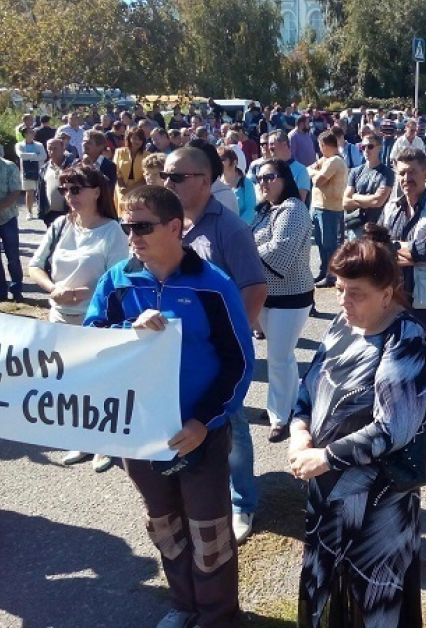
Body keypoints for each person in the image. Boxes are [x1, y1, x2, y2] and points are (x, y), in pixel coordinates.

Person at [84, 185, 254, 628]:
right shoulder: (116, 282)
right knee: (164, 525)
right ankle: (184, 605)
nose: (132, 234)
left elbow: (238, 362)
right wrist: (126, 328)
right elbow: (87, 346)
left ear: (176, 228)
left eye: (142, 226)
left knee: (209, 532)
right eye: (126, 226)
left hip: (198, 433)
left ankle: (218, 616)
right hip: (138, 433)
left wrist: (204, 422)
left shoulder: (214, 285)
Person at [289, 225, 426, 627]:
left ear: (387, 293)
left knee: (373, 599)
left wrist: (326, 456)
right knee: (326, 589)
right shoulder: (342, 324)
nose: (343, 300)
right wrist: (300, 429)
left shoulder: (406, 339)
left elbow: (394, 428)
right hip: (328, 491)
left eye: (356, 293)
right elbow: (311, 384)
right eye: (339, 289)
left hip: (377, 499)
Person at [163, 146, 267, 546]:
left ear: (205, 182)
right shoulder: (170, 224)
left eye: (177, 177)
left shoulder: (230, 229)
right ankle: (199, 492)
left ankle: (243, 502)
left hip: (221, 358)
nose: (167, 183)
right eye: (166, 176)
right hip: (178, 354)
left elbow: (255, 289)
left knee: (234, 427)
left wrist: (231, 342)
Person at [29, 164, 128, 473]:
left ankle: (106, 443)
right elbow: (35, 265)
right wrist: (53, 288)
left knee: (101, 382)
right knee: (71, 383)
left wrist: (91, 293)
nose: (69, 195)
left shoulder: (113, 231)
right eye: (65, 189)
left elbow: (119, 278)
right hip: (59, 317)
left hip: (95, 321)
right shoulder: (59, 225)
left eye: (76, 189)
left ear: (97, 191)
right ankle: (82, 439)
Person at [246, 159, 314, 445]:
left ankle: (282, 417)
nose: (263, 183)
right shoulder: (266, 210)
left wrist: (244, 256)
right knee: (278, 357)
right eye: (259, 178)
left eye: (269, 177)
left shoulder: (294, 209)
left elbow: (280, 251)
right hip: (267, 294)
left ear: (284, 178)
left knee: (280, 357)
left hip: (291, 296)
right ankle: (280, 406)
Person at [380, 147, 426, 361]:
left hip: (424, 304)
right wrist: (409, 254)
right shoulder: (391, 208)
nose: (406, 178)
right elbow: (375, 246)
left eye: (412, 172)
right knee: (393, 361)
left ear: (425, 173)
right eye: (402, 173)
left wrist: (391, 250)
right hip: (393, 301)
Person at [308, 131, 349, 288]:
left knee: (329, 244)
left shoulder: (334, 161)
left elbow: (318, 180)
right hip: (319, 206)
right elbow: (309, 169)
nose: (319, 149)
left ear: (325, 145)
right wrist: (314, 169)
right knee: (320, 242)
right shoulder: (325, 160)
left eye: (320, 146)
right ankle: (324, 270)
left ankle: (332, 275)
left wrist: (313, 171)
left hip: (330, 208)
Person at [343, 131, 395, 241]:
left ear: (379, 147)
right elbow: (345, 202)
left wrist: (355, 196)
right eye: (363, 147)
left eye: (370, 146)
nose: (366, 150)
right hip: (356, 228)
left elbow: (378, 201)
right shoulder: (355, 171)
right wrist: (367, 202)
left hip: (377, 229)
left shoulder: (387, 173)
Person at [0, 132, 24, 303]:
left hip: (7, 219)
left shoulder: (9, 166)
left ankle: (17, 289)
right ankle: (0, 291)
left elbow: (14, 193)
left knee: (12, 256)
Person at [37, 137, 76, 226]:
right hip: (50, 214)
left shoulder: (73, 166)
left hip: (69, 212)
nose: (52, 151)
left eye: (55, 148)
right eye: (49, 148)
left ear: (63, 149)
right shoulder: (44, 169)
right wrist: (41, 210)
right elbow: (39, 191)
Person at [15, 125, 47, 219]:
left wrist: (29, 157)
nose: (33, 133)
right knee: (29, 192)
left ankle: (41, 210)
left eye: (33, 132)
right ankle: (29, 212)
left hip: (39, 170)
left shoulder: (39, 145)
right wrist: (34, 155)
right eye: (30, 132)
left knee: (41, 191)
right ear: (25, 134)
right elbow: (21, 155)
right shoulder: (19, 145)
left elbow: (44, 156)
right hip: (26, 171)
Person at [218, 147, 256, 223]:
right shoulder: (216, 184)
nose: (218, 162)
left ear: (234, 163)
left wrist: (236, 227)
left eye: (222, 159)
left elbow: (251, 210)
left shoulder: (246, 183)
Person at [113, 127, 147, 205]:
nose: (137, 141)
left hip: (139, 189)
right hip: (121, 188)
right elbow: (116, 171)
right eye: (135, 138)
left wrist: (131, 189)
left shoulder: (147, 155)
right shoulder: (119, 152)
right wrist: (122, 187)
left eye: (140, 139)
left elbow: (146, 176)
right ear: (129, 138)